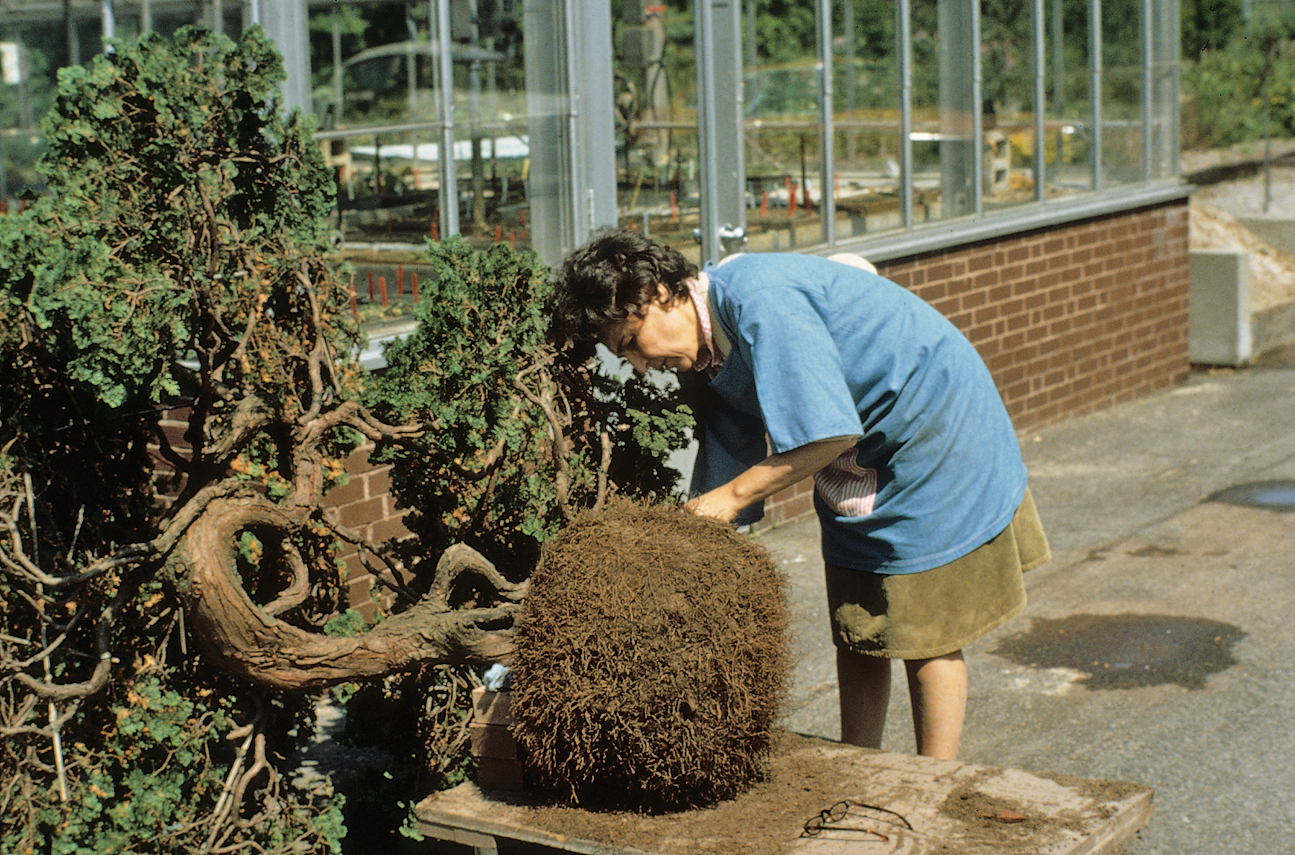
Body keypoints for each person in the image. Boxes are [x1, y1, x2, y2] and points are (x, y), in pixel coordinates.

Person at [548, 229, 1050, 760]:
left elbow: (823, 434)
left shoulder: (760, 300)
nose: (641, 365)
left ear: (656, 293)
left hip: (929, 423)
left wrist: (732, 498)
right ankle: (856, 763)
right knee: (857, 617)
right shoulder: (701, 354)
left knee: (926, 626)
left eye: (630, 344)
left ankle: (934, 782)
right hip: (857, 448)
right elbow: (729, 463)